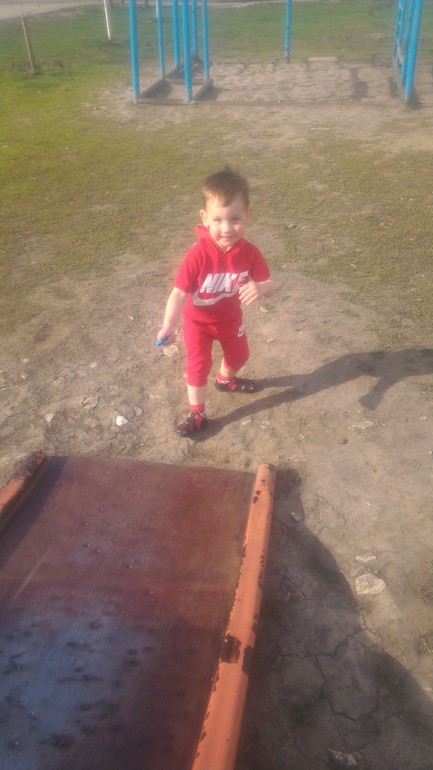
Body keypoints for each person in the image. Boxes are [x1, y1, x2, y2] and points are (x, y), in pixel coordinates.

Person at [157, 168, 275, 436]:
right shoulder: (197, 254)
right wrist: (168, 325)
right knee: (197, 367)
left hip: (230, 319)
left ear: (248, 216)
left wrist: (261, 287)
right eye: (218, 220)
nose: (227, 228)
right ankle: (197, 413)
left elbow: (271, 285)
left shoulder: (250, 253)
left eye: (235, 219)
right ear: (205, 218)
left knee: (240, 355)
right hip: (197, 323)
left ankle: (225, 379)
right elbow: (179, 293)